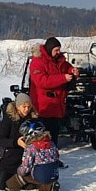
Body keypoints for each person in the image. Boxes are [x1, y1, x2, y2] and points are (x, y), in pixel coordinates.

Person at [29, 37, 78, 165]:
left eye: (59, 50)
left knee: (54, 134)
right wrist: (63, 78)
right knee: (43, 135)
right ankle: (42, 160)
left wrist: (72, 70)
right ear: (49, 49)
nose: (58, 52)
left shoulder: (58, 59)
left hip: (57, 104)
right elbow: (42, 81)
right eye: (56, 50)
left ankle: (53, 158)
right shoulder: (37, 62)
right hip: (43, 105)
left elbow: (65, 66)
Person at [0, 92, 38, 190]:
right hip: (10, 158)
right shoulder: (8, 119)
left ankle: (22, 180)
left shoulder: (33, 119)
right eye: (24, 106)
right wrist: (15, 142)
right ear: (17, 106)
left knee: (30, 186)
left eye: (28, 107)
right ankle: (18, 180)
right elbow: (0, 139)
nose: (26, 109)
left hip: (27, 159)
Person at [4, 119, 60, 191]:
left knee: (22, 176)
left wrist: (19, 171)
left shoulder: (31, 147)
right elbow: (57, 156)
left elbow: (26, 166)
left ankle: (10, 186)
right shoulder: (51, 143)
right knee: (40, 181)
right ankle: (50, 186)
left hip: (40, 173)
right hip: (54, 173)